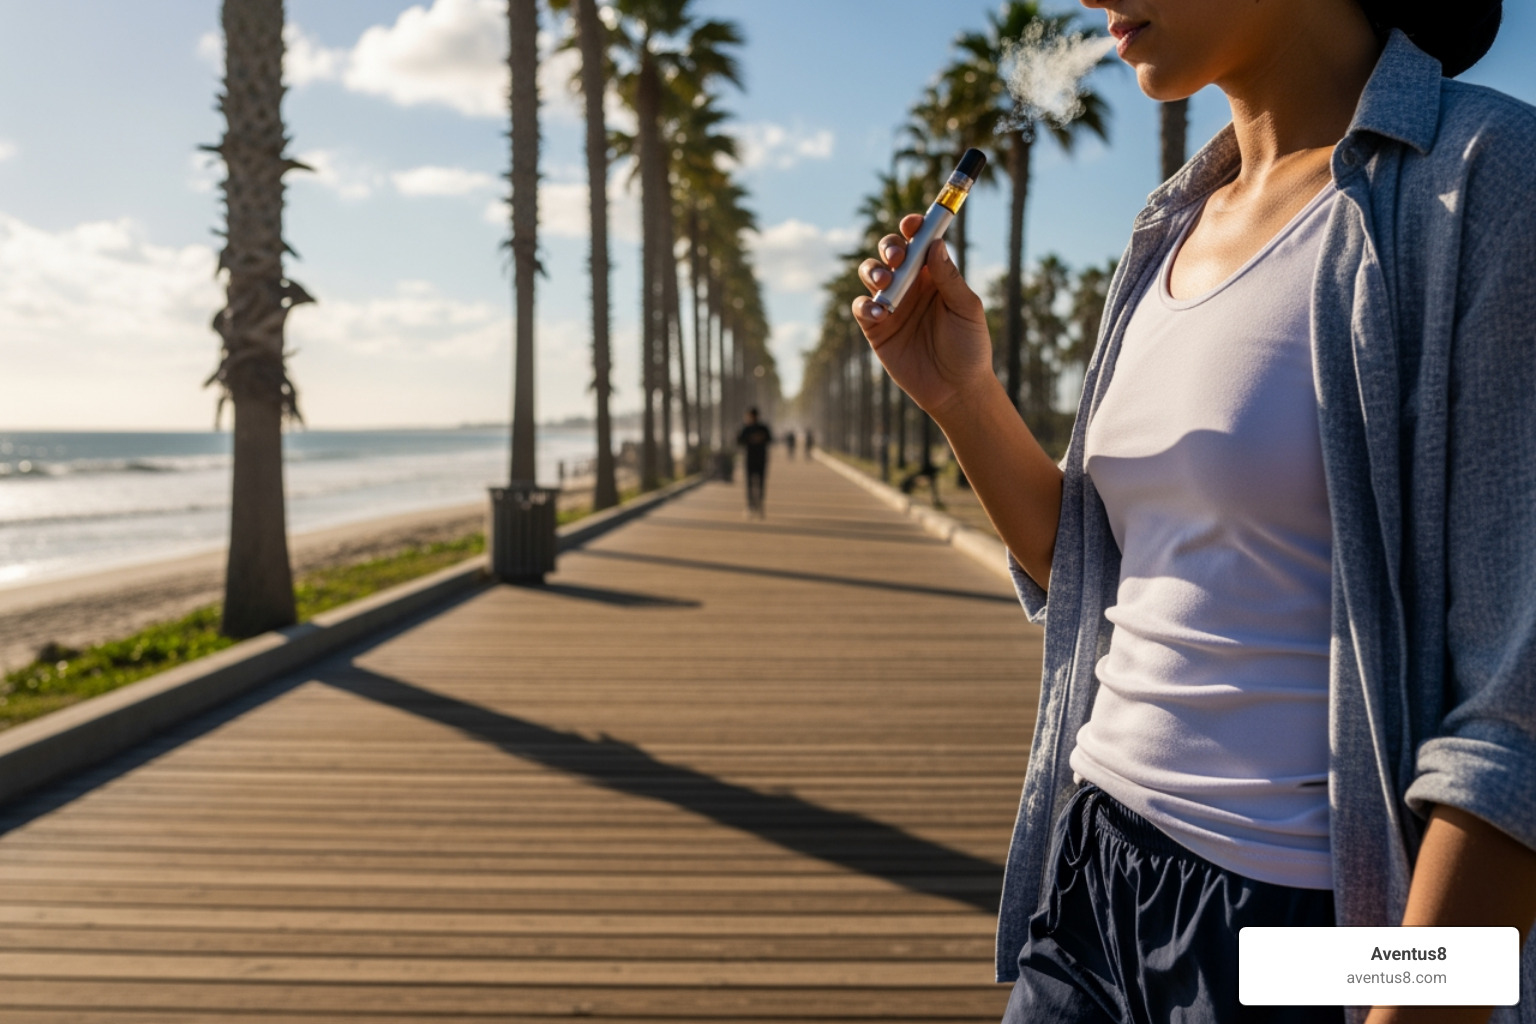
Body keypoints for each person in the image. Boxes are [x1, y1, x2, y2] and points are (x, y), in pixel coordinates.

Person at [853, 3, 1536, 1023]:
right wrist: (961, 396)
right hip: (1089, 885)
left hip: (1308, 945)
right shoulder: (1171, 221)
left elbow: (1517, 730)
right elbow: (1105, 568)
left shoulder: (1485, 178)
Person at [736, 407, 773, 517]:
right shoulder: (746, 428)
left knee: (760, 483)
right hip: (750, 459)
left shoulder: (763, 428)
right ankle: (750, 505)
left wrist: (760, 438)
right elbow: (739, 441)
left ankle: (760, 504)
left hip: (761, 459)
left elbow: (770, 439)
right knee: (749, 484)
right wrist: (750, 438)